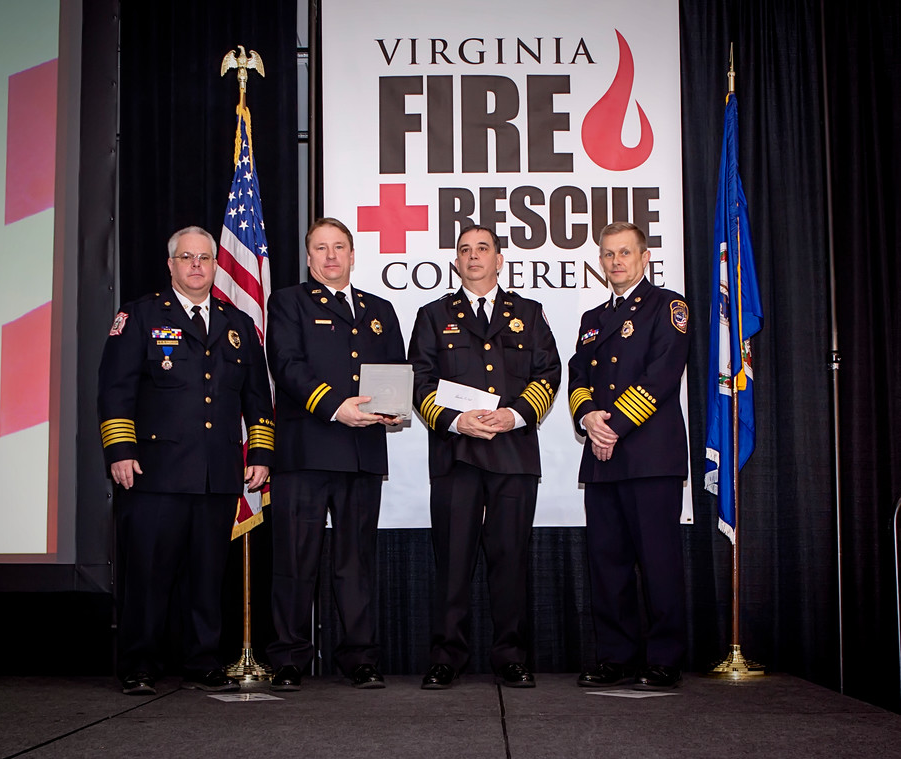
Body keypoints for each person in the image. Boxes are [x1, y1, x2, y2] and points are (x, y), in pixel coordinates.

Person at [98, 225, 274, 695]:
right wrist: (120, 451)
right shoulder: (139, 316)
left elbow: (258, 398)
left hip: (218, 474)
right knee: (149, 576)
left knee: (207, 575)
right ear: (171, 264)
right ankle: (139, 662)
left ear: (216, 265)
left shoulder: (237, 324)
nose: (197, 266)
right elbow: (115, 391)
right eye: (187, 258)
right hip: (155, 472)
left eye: (205, 259)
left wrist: (258, 451)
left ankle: (201, 659)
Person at [408, 224, 561, 689]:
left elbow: (548, 373)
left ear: (499, 259)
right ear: (455, 262)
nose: (473, 257)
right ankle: (446, 657)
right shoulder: (433, 315)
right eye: (464, 250)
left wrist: (515, 416)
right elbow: (419, 380)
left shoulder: (529, 314)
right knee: (452, 562)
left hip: (513, 453)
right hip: (457, 453)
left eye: (483, 249)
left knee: (510, 560)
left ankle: (510, 655)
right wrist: (455, 420)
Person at [265, 217, 406, 691]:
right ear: (309, 258)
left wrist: (392, 411)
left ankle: (359, 658)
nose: (330, 256)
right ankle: (288, 658)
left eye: (339, 247)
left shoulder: (380, 308)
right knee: (294, 561)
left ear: (352, 254)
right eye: (320, 248)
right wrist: (334, 406)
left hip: (363, 452)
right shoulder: (288, 302)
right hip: (306, 451)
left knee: (356, 563)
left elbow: (395, 373)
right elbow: (286, 364)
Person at [568, 221, 690, 690]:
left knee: (658, 561)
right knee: (608, 563)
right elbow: (579, 376)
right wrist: (588, 419)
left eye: (624, 253)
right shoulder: (592, 318)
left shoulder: (668, 307)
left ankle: (663, 658)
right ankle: (616, 657)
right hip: (603, 456)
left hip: (650, 456)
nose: (616, 261)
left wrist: (612, 424)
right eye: (607, 254)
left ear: (644, 259)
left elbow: (661, 376)